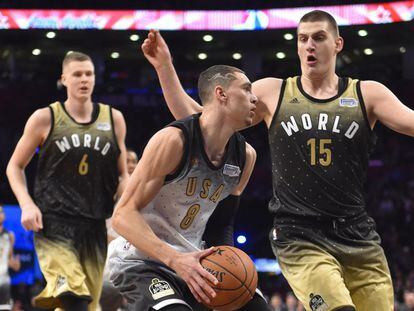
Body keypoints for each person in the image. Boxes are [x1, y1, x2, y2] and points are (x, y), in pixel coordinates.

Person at [141, 8, 414, 310]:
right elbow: (204, 123)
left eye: (319, 38)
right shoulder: (274, 91)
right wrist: (165, 68)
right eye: (303, 39)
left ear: (338, 44)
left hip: (358, 233)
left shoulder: (367, 93)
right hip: (300, 233)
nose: (309, 45)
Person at [107, 64, 266, 311]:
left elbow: (220, 225)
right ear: (221, 94)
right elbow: (122, 217)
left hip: (195, 258)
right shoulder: (174, 141)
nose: (255, 97)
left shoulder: (245, 156)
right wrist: (175, 259)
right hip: (142, 260)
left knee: (256, 307)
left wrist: (229, 266)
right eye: (246, 89)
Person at [6, 51, 128, 311]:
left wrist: (125, 193)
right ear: (64, 79)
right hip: (55, 223)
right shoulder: (45, 118)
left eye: (89, 74)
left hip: (95, 225)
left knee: (88, 305)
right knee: (74, 297)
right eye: (77, 74)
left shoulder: (113, 118)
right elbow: (14, 166)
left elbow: (122, 173)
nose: (84, 79)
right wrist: (26, 204)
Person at [100, 148, 139, 311]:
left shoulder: (145, 191)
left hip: (132, 253)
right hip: (108, 251)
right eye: (127, 161)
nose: (130, 165)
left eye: (134, 161)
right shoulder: (108, 190)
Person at [0, 204, 21, 311]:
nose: (0, 214)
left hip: (4, 281)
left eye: (1, 211)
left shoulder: (9, 236)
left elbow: (9, 259)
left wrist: (14, 263)